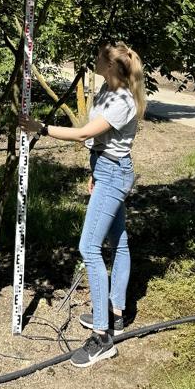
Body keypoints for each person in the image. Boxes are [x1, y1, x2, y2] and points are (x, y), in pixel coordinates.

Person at [19, 41, 146, 368]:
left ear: (110, 66)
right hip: (106, 168)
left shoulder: (123, 102)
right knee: (118, 242)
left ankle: (103, 337)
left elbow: (83, 133)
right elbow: (99, 141)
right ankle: (116, 312)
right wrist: (95, 170)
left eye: (98, 58)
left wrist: (41, 128)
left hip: (115, 173)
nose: (92, 60)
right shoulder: (106, 88)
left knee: (89, 247)